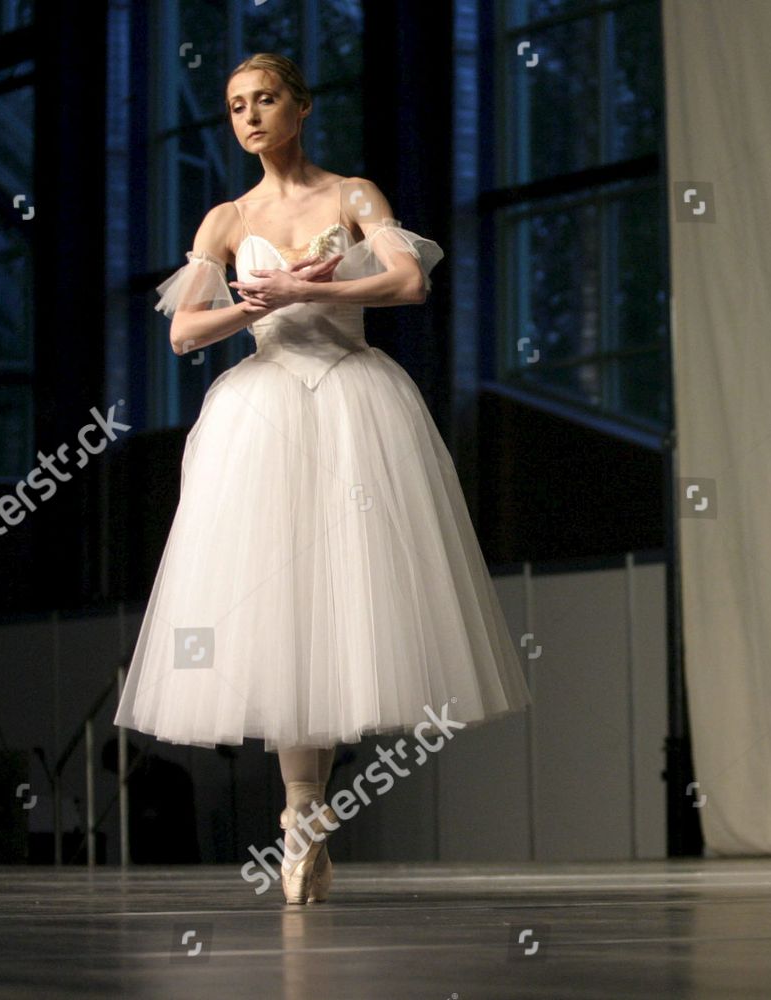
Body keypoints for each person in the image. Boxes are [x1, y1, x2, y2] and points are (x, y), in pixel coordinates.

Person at [112, 53, 531, 904]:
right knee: (278, 616)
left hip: (351, 400)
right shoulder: (226, 218)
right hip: (261, 413)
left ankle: (310, 816)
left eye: (265, 100)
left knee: (343, 607)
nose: (250, 117)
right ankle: (301, 819)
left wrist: (328, 286)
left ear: (300, 107)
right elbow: (185, 334)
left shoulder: (352, 195)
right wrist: (257, 305)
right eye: (235, 106)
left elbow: (411, 280)